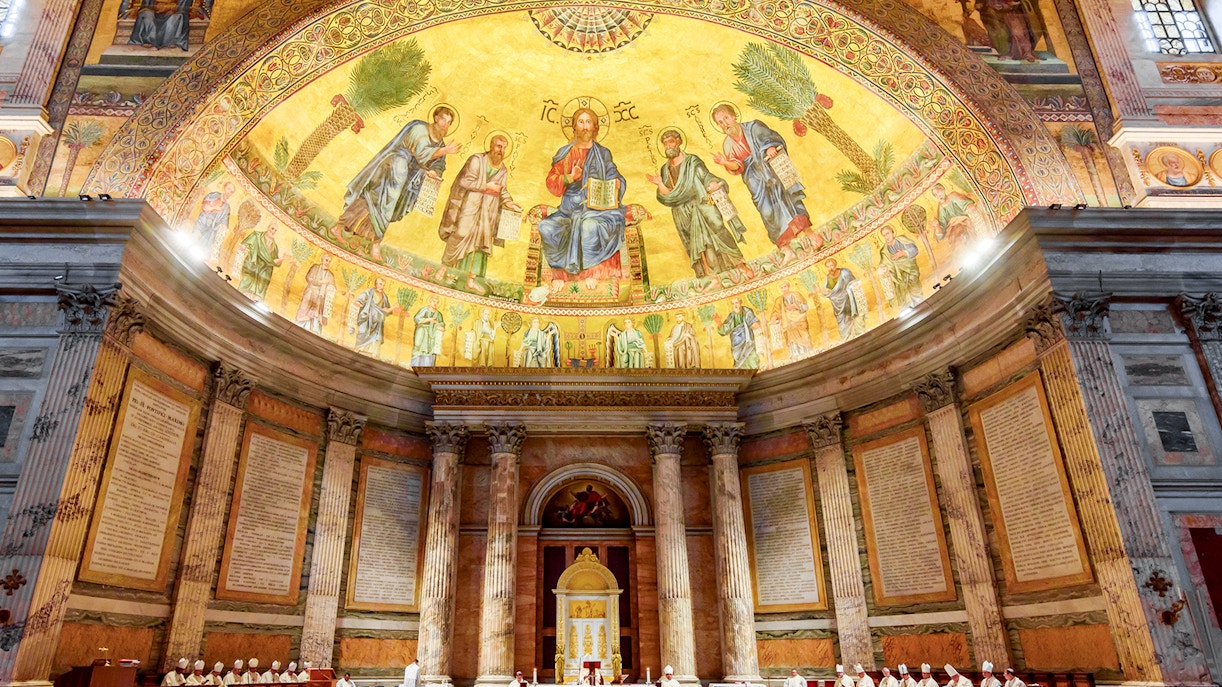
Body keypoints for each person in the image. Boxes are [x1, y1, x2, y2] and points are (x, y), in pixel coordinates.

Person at [335, 107, 460, 261]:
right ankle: (370, 241)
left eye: (449, 122)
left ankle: (362, 240)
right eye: (443, 119)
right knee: (378, 202)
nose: (445, 125)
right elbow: (421, 154)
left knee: (384, 205)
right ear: (435, 118)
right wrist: (443, 151)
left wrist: (434, 171)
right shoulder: (419, 129)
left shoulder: (440, 143)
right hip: (394, 168)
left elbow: (439, 164)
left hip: (407, 179)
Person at [538, 107, 627, 292]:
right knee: (547, 227)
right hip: (569, 209)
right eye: (581, 122)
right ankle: (560, 275)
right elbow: (551, 182)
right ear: (574, 126)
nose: (585, 126)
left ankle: (591, 272)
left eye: (588, 122)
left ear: (595, 127)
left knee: (589, 226)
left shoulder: (603, 153)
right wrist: (570, 177)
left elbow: (613, 174)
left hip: (598, 209)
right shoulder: (565, 153)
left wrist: (617, 183)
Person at [711, 103, 810, 252]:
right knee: (767, 212)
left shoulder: (754, 127)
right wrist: (725, 162)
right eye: (720, 122)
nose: (725, 124)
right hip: (755, 182)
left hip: (771, 171)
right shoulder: (728, 145)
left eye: (726, 118)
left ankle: (810, 235)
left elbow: (771, 139)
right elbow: (737, 166)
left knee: (787, 200)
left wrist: (769, 147)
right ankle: (786, 250)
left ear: (734, 116)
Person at [647, 128, 745, 278]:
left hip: (701, 204)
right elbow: (668, 195)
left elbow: (705, 176)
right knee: (697, 243)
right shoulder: (665, 169)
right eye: (665, 144)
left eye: (671, 142)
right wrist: (660, 184)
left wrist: (712, 183)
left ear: (679, 142)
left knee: (718, 228)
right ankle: (711, 276)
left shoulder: (692, 161)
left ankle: (739, 264)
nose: (668, 146)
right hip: (682, 212)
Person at [439, 135, 522, 287]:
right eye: (499, 146)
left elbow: (502, 190)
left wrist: (509, 202)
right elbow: (465, 181)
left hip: (489, 211)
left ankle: (471, 280)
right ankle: (444, 268)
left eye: (504, 148)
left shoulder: (503, 169)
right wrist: (486, 186)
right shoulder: (477, 160)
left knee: (481, 244)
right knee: (460, 234)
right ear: (491, 145)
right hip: (470, 204)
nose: (501, 151)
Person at [353, 277, 399, 357]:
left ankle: (372, 355)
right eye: (380, 284)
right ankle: (357, 350)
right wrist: (358, 302)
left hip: (378, 322)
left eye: (383, 285)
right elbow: (360, 300)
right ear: (375, 284)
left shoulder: (384, 297)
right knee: (363, 332)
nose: (382, 287)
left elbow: (385, 310)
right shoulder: (369, 292)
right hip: (367, 318)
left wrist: (393, 307)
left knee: (376, 338)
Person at [878, 226, 921, 309]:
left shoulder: (902, 240)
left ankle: (920, 304)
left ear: (892, 232)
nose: (886, 237)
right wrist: (881, 268)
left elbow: (914, 249)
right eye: (884, 235)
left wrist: (904, 253)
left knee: (915, 291)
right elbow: (884, 263)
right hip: (898, 277)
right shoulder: (884, 250)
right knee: (903, 296)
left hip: (910, 271)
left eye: (887, 233)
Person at [237, 224, 283, 301]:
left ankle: (256, 301)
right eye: (272, 228)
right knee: (247, 282)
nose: (273, 231)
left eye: (275, 230)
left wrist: (281, 260)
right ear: (268, 227)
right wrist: (244, 246)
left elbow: (274, 261)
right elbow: (246, 243)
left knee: (260, 286)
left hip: (264, 270)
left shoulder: (274, 247)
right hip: (252, 265)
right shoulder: (257, 236)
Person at [822, 258, 865, 340]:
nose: (830, 268)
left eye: (831, 265)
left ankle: (859, 333)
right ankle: (847, 338)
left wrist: (853, 286)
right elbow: (828, 291)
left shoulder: (845, 273)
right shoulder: (828, 278)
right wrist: (822, 291)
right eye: (828, 267)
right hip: (838, 305)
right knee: (843, 323)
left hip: (850, 300)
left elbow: (853, 282)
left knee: (855, 317)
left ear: (835, 265)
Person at [714, 297, 761, 369]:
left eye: (736, 303)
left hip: (747, 340)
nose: (735, 305)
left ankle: (754, 370)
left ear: (740, 302)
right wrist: (718, 322)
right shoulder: (731, 316)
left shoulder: (747, 312)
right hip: (736, 342)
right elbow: (724, 330)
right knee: (738, 358)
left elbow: (753, 321)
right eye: (733, 304)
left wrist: (755, 324)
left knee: (751, 356)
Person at [294, 255, 336, 334]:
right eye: (326, 260)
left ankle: (314, 331)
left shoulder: (330, 275)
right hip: (310, 293)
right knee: (304, 310)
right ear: (322, 260)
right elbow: (308, 278)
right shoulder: (315, 268)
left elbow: (332, 286)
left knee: (316, 314)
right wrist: (320, 282)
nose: (327, 263)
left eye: (329, 261)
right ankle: (300, 327)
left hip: (320, 298)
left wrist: (330, 288)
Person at [930, 184, 978, 250]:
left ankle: (972, 246)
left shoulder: (952, 196)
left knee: (963, 232)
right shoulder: (941, 207)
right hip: (953, 229)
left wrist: (968, 206)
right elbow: (942, 228)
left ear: (943, 189)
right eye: (935, 195)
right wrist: (937, 226)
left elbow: (964, 204)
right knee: (956, 240)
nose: (938, 195)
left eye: (938, 191)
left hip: (964, 221)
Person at [193, 183, 235, 257]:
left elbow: (225, 220)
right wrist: (214, 208)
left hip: (211, 230)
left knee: (204, 248)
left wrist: (224, 226)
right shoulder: (214, 195)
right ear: (224, 188)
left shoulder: (227, 207)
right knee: (194, 239)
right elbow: (204, 207)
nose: (229, 192)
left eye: (231, 192)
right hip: (202, 223)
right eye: (228, 189)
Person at [775, 282, 813, 358]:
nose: (784, 289)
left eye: (785, 286)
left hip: (799, 319)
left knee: (804, 335)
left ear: (788, 286)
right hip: (788, 321)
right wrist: (775, 316)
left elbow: (805, 307)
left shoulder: (796, 294)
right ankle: (795, 354)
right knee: (791, 338)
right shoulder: (779, 300)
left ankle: (808, 352)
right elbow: (776, 312)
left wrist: (796, 306)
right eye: (782, 288)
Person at [410, 296, 445, 366]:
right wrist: (429, 320)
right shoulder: (424, 310)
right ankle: (415, 365)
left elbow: (441, 324)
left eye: (437, 302)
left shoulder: (438, 314)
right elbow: (417, 319)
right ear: (430, 302)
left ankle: (426, 366)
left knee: (429, 350)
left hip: (432, 335)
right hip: (421, 331)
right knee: (418, 346)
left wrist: (439, 326)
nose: (435, 303)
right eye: (433, 301)